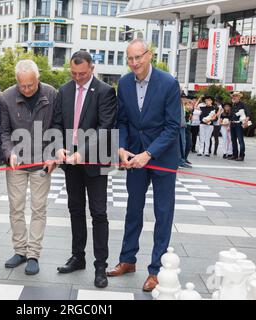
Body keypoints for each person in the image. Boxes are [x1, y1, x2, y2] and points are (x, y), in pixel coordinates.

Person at [106, 39, 181, 292]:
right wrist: (122, 147)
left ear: (150, 55)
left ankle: (156, 270)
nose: (134, 63)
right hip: (134, 158)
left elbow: (173, 127)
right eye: (130, 58)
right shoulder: (124, 83)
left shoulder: (168, 83)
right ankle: (127, 259)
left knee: (163, 213)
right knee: (133, 209)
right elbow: (123, 120)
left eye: (139, 57)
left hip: (162, 158)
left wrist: (149, 154)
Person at [53, 51, 117, 288]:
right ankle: (78, 256)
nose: (77, 78)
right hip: (71, 162)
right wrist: (59, 148)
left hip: (95, 161)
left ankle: (100, 265)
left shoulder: (105, 91)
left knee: (99, 213)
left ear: (92, 68)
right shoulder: (65, 90)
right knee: (75, 209)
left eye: (82, 73)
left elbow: (105, 127)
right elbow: (57, 123)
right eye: (73, 73)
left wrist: (84, 152)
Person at [0, 60, 57, 275]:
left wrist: (53, 155)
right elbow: (4, 131)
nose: (26, 90)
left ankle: (33, 254)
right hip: (17, 162)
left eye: (30, 85)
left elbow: (57, 126)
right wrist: (9, 152)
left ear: (38, 79)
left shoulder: (52, 94)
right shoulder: (6, 97)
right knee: (16, 208)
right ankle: (20, 250)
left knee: (38, 208)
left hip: (42, 162)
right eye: (22, 86)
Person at [229, 91, 251, 161]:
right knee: (233, 140)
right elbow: (231, 116)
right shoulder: (233, 105)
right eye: (233, 96)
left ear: (239, 97)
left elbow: (248, 113)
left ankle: (241, 156)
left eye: (235, 96)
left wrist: (245, 122)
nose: (234, 97)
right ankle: (235, 154)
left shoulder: (243, 104)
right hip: (232, 124)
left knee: (240, 140)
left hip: (239, 124)